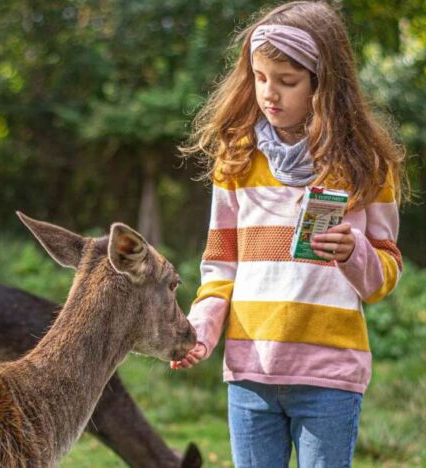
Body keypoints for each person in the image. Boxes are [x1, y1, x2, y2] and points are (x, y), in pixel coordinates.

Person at [171, 2, 407, 467]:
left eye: (287, 81)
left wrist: (354, 252)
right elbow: (220, 268)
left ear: (323, 84)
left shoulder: (367, 166)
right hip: (249, 373)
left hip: (329, 377)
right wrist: (200, 329)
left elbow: (386, 272)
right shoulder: (237, 158)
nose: (268, 94)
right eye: (259, 77)